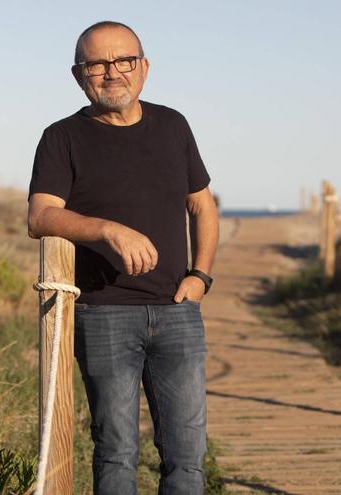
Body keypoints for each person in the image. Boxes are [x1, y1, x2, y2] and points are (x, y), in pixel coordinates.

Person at [26, 20, 219, 495]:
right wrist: (107, 230)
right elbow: (40, 216)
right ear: (79, 75)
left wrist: (201, 276)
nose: (112, 72)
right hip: (103, 314)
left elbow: (202, 204)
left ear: (144, 67)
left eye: (123, 60)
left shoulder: (173, 125)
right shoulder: (62, 137)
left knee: (188, 458)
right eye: (97, 63)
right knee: (116, 453)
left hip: (177, 311)